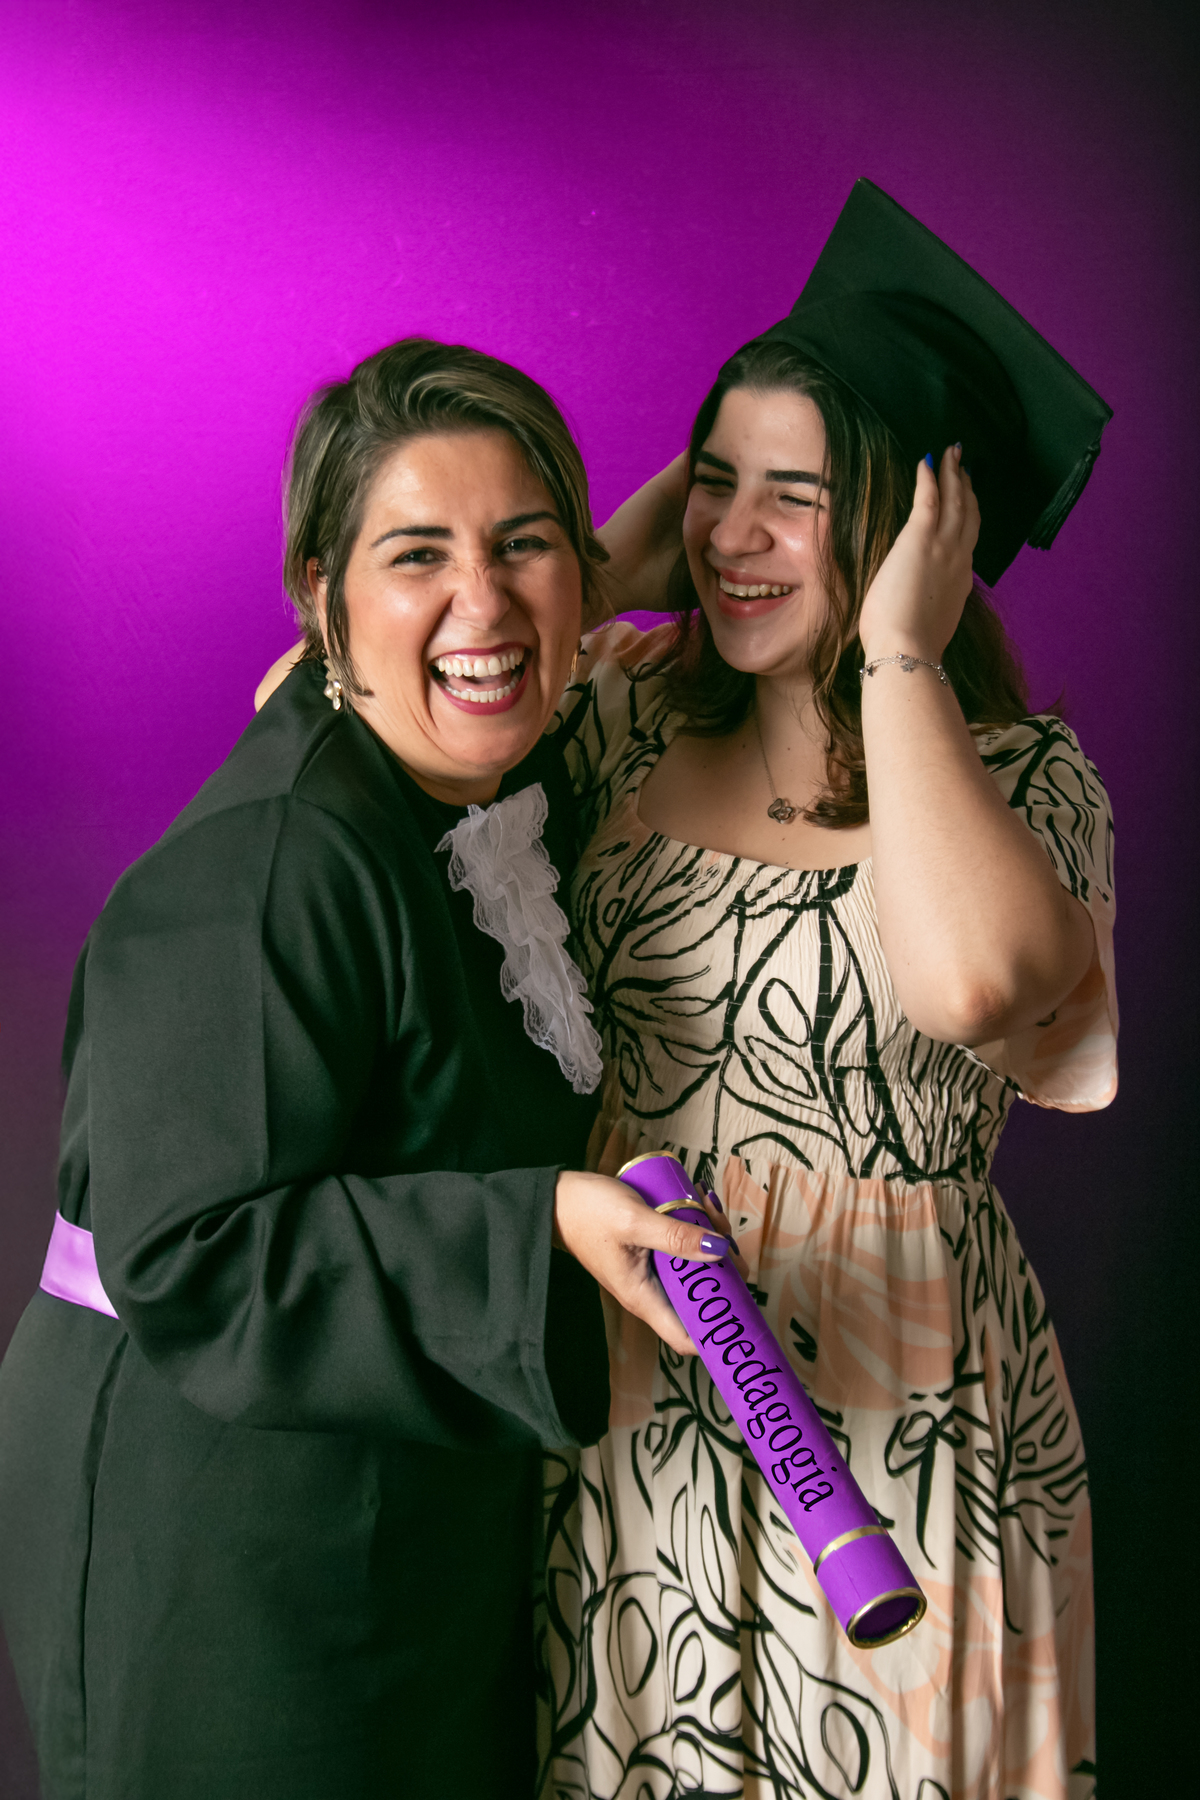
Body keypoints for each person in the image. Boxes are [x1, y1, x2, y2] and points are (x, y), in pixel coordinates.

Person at [0, 338, 732, 1800]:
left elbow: (520, 610)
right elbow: (194, 1248)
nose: (484, 602)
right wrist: (545, 1225)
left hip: (392, 1486)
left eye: (524, 544)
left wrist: (721, 505)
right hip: (222, 1523)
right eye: (417, 556)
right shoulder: (272, 861)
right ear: (321, 595)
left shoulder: (470, 774)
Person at [540, 183, 1114, 1799]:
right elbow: (327, 719)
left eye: (795, 497)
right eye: (713, 481)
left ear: (916, 539)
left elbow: (975, 981)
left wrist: (901, 657)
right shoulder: (623, 720)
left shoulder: (1028, 783)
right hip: (644, 1413)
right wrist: (617, 560)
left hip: (905, 1432)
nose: (733, 535)